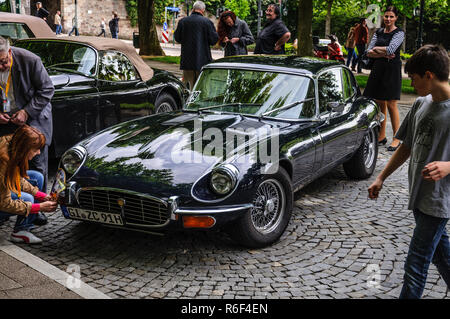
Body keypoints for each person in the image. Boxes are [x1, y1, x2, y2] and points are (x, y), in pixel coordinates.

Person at [368, 44, 450, 299]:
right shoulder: (420, 104)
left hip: (438, 199)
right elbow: (406, 146)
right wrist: (381, 177)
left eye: (413, 78)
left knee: (416, 263)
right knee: (441, 254)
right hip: (418, 194)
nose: (411, 84)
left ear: (429, 75)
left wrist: (448, 166)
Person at [0, 36, 54, 225]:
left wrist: (26, 111)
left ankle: (35, 212)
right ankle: (13, 206)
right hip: (5, 121)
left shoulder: (30, 60)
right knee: (7, 163)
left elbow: (47, 89)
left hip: (33, 119)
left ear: (9, 52)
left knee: (36, 164)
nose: (1, 66)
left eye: (3, 61)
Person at [0, 125, 58, 244]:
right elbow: (4, 203)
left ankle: (23, 227)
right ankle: (20, 232)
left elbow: (17, 178)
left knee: (37, 177)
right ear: (25, 148)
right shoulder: (3, 161)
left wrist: (41, 195)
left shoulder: (11, 144)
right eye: (35, 149)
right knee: (28, 198)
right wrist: (38, 207)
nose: (38, 152)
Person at [363, 6, 404, 151]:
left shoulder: (399, 33)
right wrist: (383, 52)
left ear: (396, 18)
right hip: (378, 68)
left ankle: (397, 138)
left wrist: (378, 50)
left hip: (392, 69)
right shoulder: (378, 31)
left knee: (391, 103)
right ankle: (381, 136)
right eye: (386, 16)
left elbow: (392, 50)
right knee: (379, 102)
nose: (388, 19)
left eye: (391, 16)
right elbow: (368, 51)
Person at [174, 1, 218, 90]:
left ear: (193, 9)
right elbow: (213, 40)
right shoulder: (207, 22)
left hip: (187, 60)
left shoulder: (183, 21)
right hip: (203, 60)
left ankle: (185, 102)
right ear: (203, 10)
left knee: (187, 86)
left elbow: (177, 38)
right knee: (201, 87)